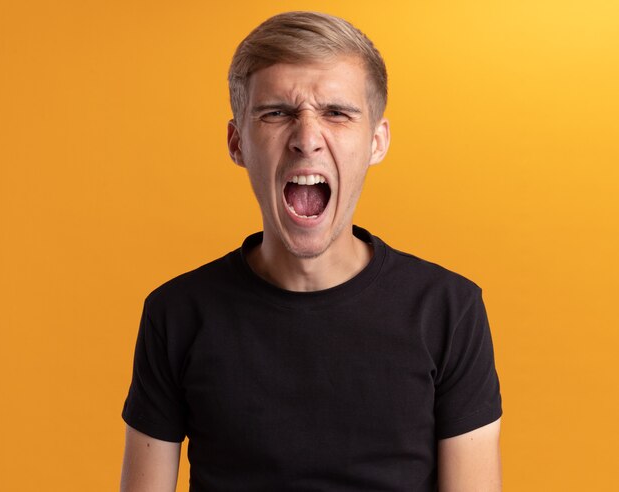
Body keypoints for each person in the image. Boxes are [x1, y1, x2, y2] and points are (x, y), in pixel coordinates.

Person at [120, 11, 502, 492]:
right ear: (237, 143)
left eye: (337, 113)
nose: (306, 139)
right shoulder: (175, 314)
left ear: (376, 142)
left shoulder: (449, 310)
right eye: (277, 113)